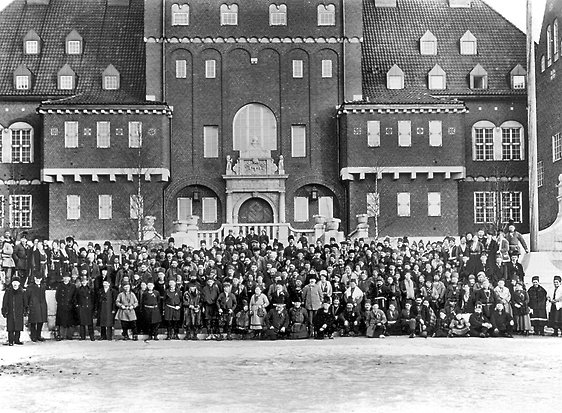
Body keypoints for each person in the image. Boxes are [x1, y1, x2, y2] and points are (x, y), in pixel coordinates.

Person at [2, 276, 24, 345]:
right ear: (12, 283)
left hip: (19, 312)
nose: (15, 284)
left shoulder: (22, 292)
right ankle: (11, 340)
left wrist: (25, 310)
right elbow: (4, 302)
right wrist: (4, 310)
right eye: (14, 282)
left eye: (16, 282)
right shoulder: (8, 291)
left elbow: (25, 302)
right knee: (10, 328)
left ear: (19, 283)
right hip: (10, 312)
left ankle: (17, 339)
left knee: (18, 327)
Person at [25, 274, 48, 342]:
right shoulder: (30, 287)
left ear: (41, 279)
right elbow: (27, 298)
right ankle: (33, 336)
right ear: (34, 278)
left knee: (40, 322)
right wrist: (28, 306)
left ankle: (38, 335)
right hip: (34, 306)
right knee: (33, 322)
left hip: (41, 306)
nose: (38, 280)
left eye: (39, 278)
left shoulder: (43, 287)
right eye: (37, 278)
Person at [55, 273, 77, 340]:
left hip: (70, 306)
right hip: (62, 306)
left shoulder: (73, 286)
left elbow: (74, 296)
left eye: (67, 277)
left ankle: (69, 335)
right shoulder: (60, 286)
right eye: (64, 277)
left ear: (69, 279)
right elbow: (57, 296)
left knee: (70, 322)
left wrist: (72, 304)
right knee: (61, 321)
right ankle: (61, 335)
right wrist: (60, 303)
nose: (66, 279)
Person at [75, 275, 95, 341]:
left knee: (90, 323)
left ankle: (92, 336)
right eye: (82, 281)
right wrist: (77, 305)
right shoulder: (78, 290)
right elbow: (75, 298)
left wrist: (92, 306)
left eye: (85, 281)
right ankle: (82, 336)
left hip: (89, 307)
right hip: (82, 307)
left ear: (87, 281)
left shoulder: (90, 289)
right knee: (82, 323)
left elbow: (93, 298)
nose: (84, 282)